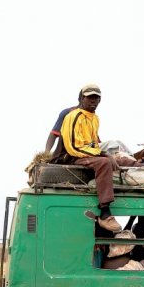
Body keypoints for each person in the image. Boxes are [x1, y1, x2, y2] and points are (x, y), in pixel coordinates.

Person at [51, 85, 122, 232]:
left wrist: (108, 154)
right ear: (82, 98)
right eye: (90, 97)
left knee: (122, 159)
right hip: (70, 156)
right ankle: (105, 212)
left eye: (96, 97)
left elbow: (93, 143)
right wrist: (103, 155)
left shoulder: (94, 118)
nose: (93, 100)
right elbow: (74, 147)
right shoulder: (73, 115)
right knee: (104, 162)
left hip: (86, 153)